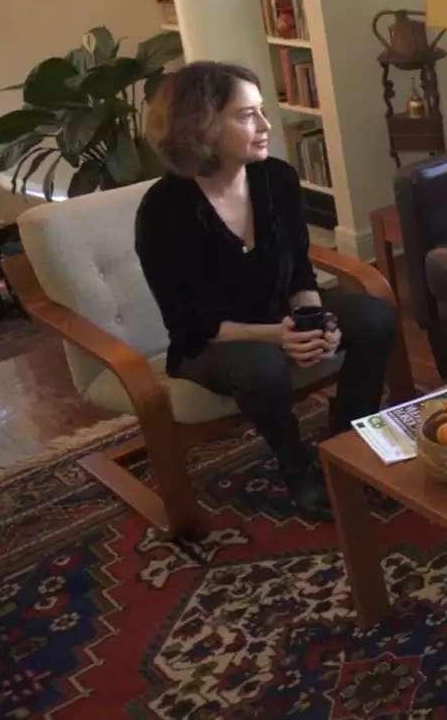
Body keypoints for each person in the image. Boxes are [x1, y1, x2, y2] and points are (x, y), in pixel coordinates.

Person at [135, 61, 397, 519]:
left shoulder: (275, 177)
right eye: (246, 115)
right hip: (211, 340)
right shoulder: (163, 210)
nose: (265, 125)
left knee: (375, 316)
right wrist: (278, 335)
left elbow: (298, 271)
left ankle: (343, 440)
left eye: (261, 111)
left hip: (279, 313)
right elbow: (188, 322)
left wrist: (316, 320)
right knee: (263, 367)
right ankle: (296, 465)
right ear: (202, 126)